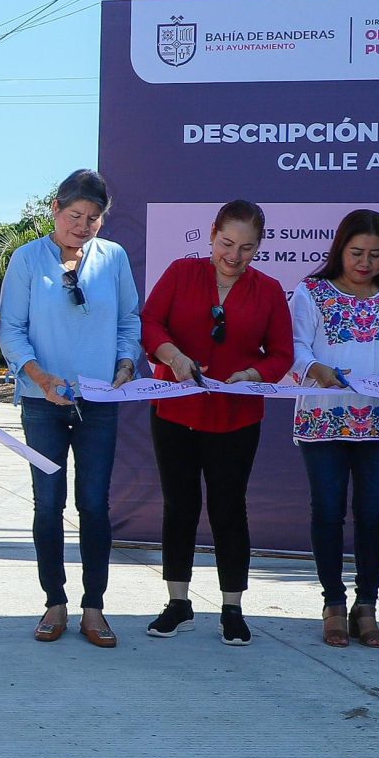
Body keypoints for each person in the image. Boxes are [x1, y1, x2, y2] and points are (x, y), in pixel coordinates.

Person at [139, 199, 293, 646]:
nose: (234, 256)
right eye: (227, 243)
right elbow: (150, 323)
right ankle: (178, 603)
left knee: (229, 510)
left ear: (259, 247)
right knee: (179, 506)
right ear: (211, 234)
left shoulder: (268, 290)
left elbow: (282, 353)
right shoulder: (180, 272)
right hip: (175, 410)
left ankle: (232, 607)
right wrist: (172, 356)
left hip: (236, 417)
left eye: (247, 248)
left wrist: (253, 374)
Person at [0, 168, 139, 648]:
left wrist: (125, 362)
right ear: (55, 210)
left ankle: (94, 607)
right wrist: (38, 376)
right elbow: (11, 329)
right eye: (75, 215)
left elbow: (128, 321)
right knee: (48, 504)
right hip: (43, 403)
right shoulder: (25, 259)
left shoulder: (113, 259)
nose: (82, 225)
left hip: (98, 402)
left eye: (93, 218)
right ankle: (53, 602)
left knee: (94, 505)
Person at [289, 208, 379, 650]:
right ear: (340, 249)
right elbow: (292, 347)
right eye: (356, 252)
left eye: (375, 254)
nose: (365, 262)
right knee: (328, 511)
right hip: (324, 416)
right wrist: (315, 366)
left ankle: (367, 606)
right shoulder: (311, 291)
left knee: (373, 514)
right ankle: (333, 604)